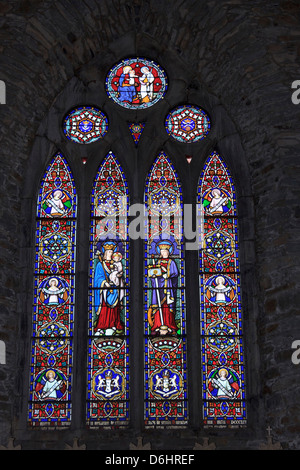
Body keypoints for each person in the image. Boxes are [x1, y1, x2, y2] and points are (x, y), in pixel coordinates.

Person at [147, 240, 179, 336]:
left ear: (168, 252)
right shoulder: (158, 262)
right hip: (159, 288)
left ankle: (170, 326)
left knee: (168, 307)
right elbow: (154, 274)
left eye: (165, 251)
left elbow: (175, 273)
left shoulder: (171, 262)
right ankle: (157, 325)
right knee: (158, 306)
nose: (164, 253)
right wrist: (153, 277)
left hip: (168, 288)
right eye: (162, 251)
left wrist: (167, 275)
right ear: (160, 252)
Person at [94, 241, 125, 335]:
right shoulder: (100, 265)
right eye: (109, 252)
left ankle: (113, 325)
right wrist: (104, 283)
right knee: (104, 309)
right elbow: (97, 278)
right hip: (104, 290)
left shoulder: (115, 264)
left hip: (114, 289)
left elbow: (119, 275)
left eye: (112, 252)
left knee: (114, 309)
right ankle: (102, 326)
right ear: (105, 253)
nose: (111, 254)